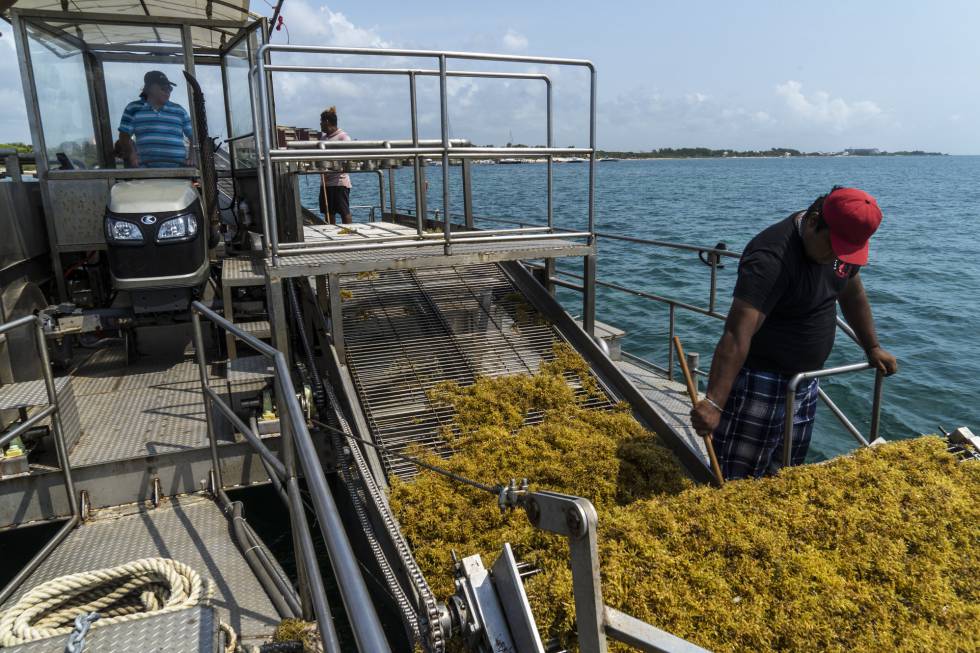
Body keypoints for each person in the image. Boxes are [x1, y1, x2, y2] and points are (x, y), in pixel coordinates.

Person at [690, 187, 898, 479]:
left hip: (806, 381)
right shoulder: (771, 258)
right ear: (813, 220)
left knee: (787, 472)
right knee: (737, 477)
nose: (837, 256)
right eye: (833, 245)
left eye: (846, 250)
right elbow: (737, 334)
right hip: (761, 383)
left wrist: (872, 346)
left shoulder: (840, 248)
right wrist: (714, 403)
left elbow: (852, 294)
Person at [114, 71, 193, 168]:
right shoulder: (133, 108)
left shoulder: (179, 111)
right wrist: (132, 155)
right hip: (145, 172)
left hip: (178, 170)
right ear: (149, 88)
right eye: (163, 88)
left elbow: (193, 137)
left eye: (170, 89)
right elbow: (124, 135)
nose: (168, 91)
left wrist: (192, 158)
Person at [318, 106, 353, 225]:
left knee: (344, 211)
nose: (320, 124)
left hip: (339, 182)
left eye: (321, 122)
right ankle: (331, 233)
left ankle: (349, 233)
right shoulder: (323, 138)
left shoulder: (343, 137)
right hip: (325, 182)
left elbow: (348, 159)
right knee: (328, 212)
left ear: (327, 122)